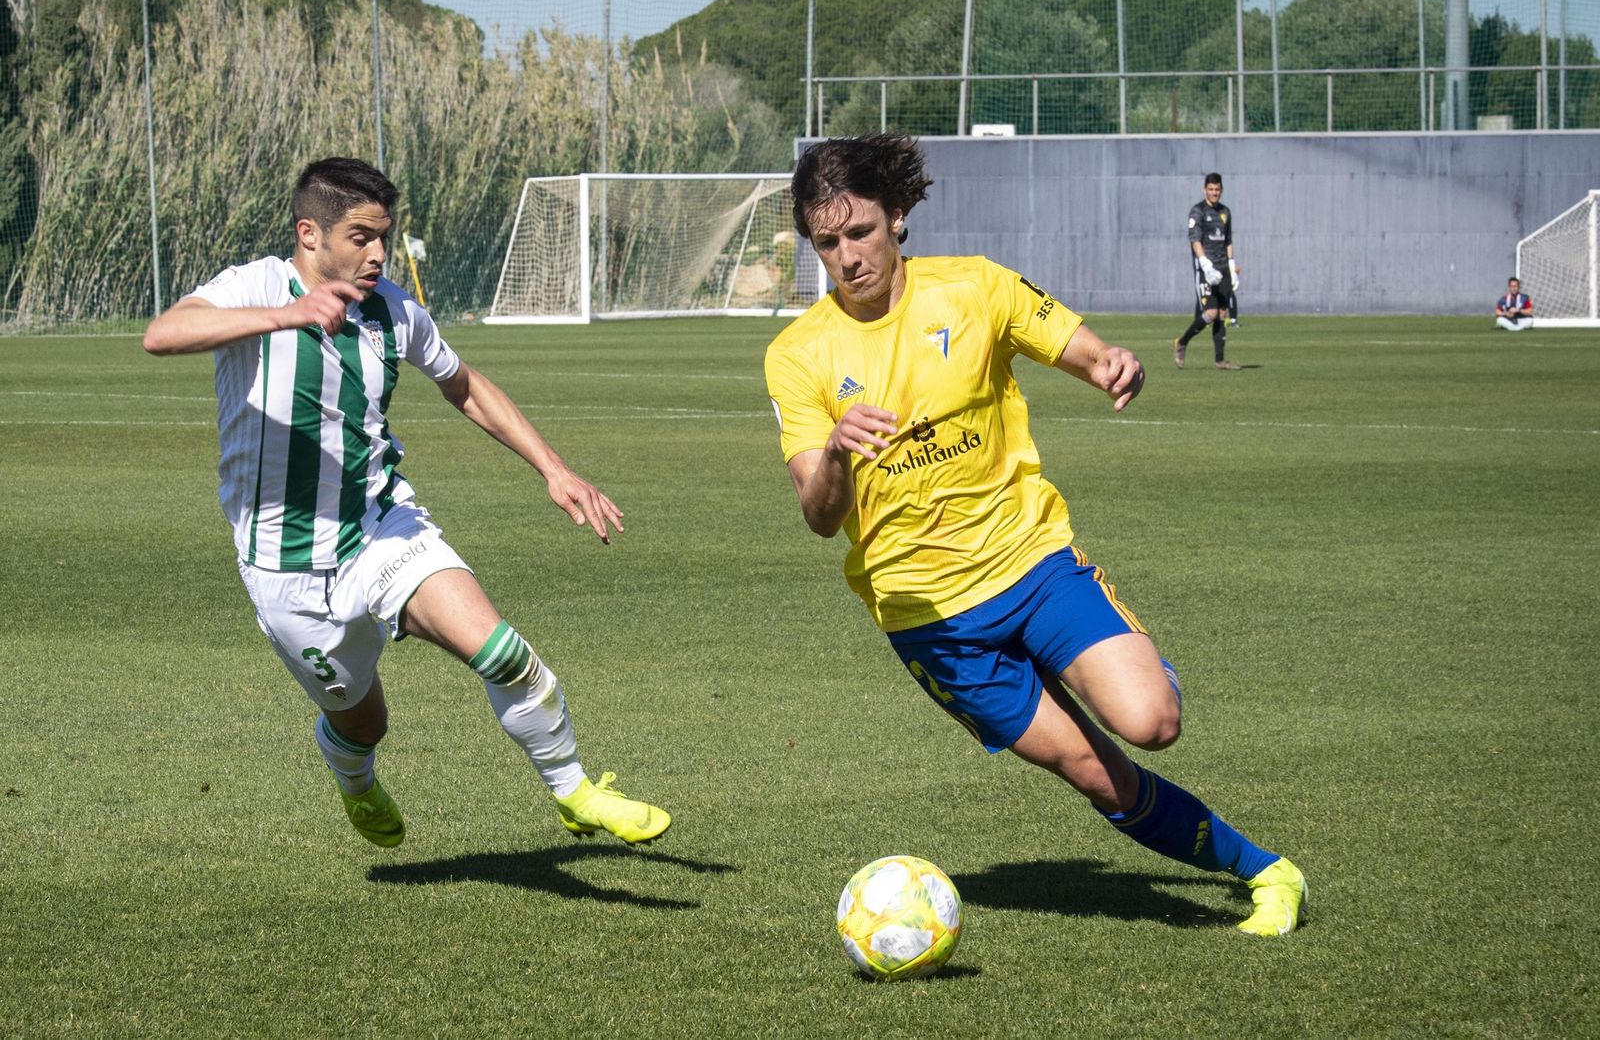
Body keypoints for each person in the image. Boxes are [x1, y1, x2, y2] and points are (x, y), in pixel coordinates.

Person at [765, 134, 1305, 937]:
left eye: (861, 232)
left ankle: (1122, 662)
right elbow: (819, 516)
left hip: (1031, 563)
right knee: (1099, 772)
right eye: (827, 243)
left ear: (898, 216)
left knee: (1151, 722)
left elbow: (1083, 350)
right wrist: (839, 450)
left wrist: (1110, 364)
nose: (848, 257)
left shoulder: (975, 288)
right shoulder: (797, 354)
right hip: (932, 621)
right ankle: (1265, 870)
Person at [143, 157, 669, 849]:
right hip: (285, 565)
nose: (377, 254)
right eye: (360, 237)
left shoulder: (392, 309)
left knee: (503, 653)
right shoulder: (256, 285)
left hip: (381, 527)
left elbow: (463, 384)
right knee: (365, 724)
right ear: (309, 233)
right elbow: (162, 334)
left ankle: (574, 791)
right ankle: (354, 776)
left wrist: (554, 469)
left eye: (383, 237)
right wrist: (286, 316)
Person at [1174, 172, 1240, 370]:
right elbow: (1195, 240)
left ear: (1221, 190)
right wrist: (1205, 264)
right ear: (1205, 190)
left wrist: (1232, 266)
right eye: (1211, 189)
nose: (1214, 193)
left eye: (1217, 189)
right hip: (1206, 270)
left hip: (1223, 268)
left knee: (1221, 313)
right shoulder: (1198, 211)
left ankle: (1220, 360)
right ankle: (1182, 342)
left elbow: (1228, 241)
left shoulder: (1225, 212)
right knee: (1210, 313)